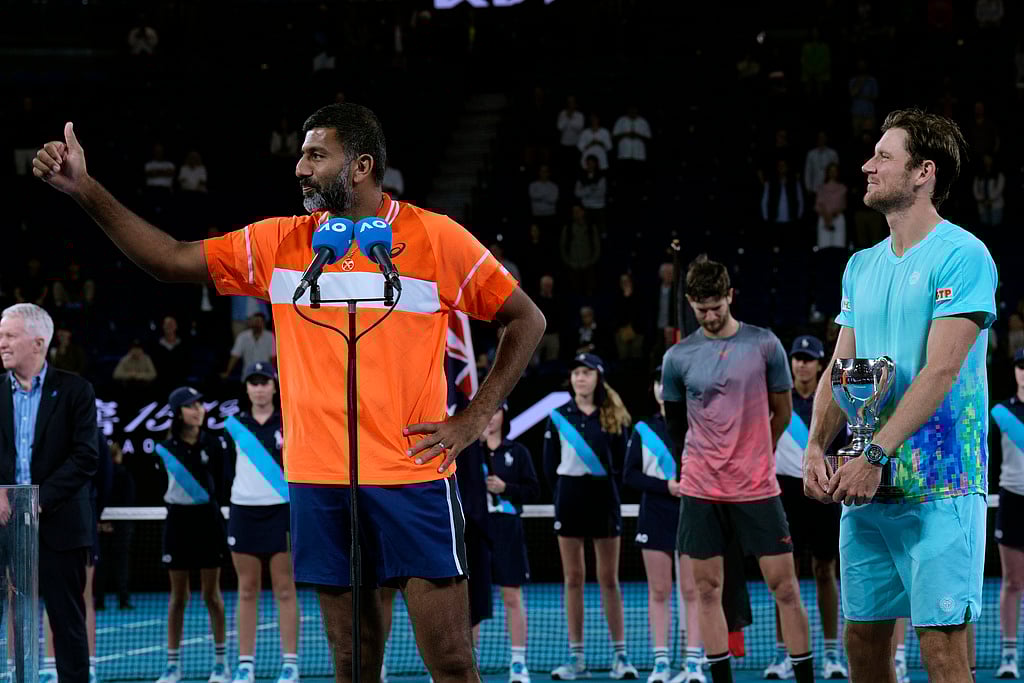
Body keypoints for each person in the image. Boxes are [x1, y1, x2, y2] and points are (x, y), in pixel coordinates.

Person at [33, 103, 545, 683]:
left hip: (413, 475)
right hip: (319, 479)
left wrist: (473, 419)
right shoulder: (280, 243)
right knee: (352, 662)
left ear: (361, 165)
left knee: (452, 661)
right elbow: (168, 259)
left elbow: (526, 320)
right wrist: (84, 189)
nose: (300, 167)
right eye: (301, 153)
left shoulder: (435, 237)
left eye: (316, 154)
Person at [803, 108, 998, 683]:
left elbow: (940, 372)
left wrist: (873, 454)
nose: (867, 166)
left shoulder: (963, 255)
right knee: (862, 644)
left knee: (941, 652)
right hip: (868, 495)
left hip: (942, 486)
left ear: (923, 173)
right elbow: (842, 368)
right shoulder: (861, 266)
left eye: (884, 157)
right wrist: (817, 446)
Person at [661, 256, 814, 683]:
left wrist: (755, 451)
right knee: (707, 591)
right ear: (691, 303)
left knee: (786, 588)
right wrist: (699, 460)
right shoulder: (678, 357)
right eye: (701, 309)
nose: (710, 316)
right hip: (701, 489)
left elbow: (781, 412)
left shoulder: (765, 345)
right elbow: (676, 425)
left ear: (731, 296)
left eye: (717, 306)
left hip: (757, 488)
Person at [0, 303, 98, 683]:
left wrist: (39, 498)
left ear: (38, 342)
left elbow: (86, 456)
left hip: (58, 527)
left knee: (67, 624)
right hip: (3, 524)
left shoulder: (76, 390)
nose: (2, 343)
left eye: (10, 335)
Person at [543, 353, 638, 681]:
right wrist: (564, 495)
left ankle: (620, 656)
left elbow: (624, 464)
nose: (580, 378)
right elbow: (549, 467)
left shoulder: (614, 415)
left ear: (598, 377)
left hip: (604, 502)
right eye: (575, 372)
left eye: (586, 372)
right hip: (569, 501)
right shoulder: (557, 417)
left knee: (609, 580)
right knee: (573, 579)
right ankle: (576, 658)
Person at [770, 335, 846, 680]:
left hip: (824, 493)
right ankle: (785, 653)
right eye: (796, 358)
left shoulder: (834, 403)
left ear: (820, 364)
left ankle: (831, 652)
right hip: (784, 494)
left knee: (824, 571)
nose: (801, 364)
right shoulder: (776, 403)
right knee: (786, 577)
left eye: (808, 358)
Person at [622, 367, 703, 683]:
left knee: (692, 590)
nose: (662, 387)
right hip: (655, 514)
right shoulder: (643, 429)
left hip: (691, 515)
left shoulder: (697, 426)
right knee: (659, 591)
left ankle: (694, 662)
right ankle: (661, 663)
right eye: (658, 382)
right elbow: (629, 476)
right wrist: (665, 487)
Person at [222, 362, 299, 683]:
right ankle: (245, 664)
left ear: (274, 386)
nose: (259, 388)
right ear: (247, 388)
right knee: (247, 589)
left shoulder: (290, 423)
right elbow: (226, 470)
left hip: (281, 512)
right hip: (244, 513)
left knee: (284, 588)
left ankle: (291, 664)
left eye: (264, 382)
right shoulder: (233, 426)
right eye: (253, 383)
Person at [155, 386, 232, 683]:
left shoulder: (214, 445)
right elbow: (158, 485)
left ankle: (221, 663)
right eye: (190, 406)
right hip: (177, 525)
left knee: (212, 595)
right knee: (178, 598)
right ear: (178, 413)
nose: (198, 410)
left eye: (200, 404)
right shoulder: (165, 449)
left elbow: (222, 482)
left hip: (208, 524)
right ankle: (173, 665)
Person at [482, 403, 539, 683]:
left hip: (508, 528)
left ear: (504, 415)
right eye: (485, 412)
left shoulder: (517, 453)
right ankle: (466, 659)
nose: (490, 418)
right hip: (476, 529)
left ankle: (518, 662)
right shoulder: (468, 454)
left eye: (495, 411)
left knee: (512, 597)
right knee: (470, 600)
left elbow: (533, 490)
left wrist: (506, 489)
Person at [991, 348, 1024, 679]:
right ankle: (1009, 655)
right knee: (1013, 582)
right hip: (1012, 502)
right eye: (1021, 367)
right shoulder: (1000, 413)